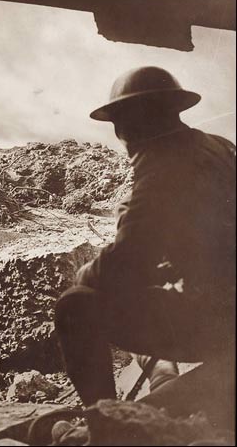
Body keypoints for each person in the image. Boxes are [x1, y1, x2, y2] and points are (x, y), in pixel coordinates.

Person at [54, 67, 235, 423]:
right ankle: (168, 381)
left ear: (130, 125)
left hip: (217, 319)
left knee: (76, 304)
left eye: (121, 125)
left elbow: (127, 260)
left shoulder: (163, 162)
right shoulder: (219, 147)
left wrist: (86, 272)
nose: (123, 137)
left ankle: (104, 420)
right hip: (225, 307)